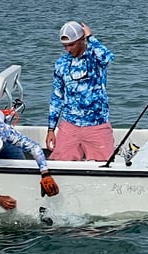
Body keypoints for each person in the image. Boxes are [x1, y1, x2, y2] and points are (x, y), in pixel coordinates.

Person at [46, 21, 115, 161]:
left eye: (71, 44)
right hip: (70, 124)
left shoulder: (95, 57)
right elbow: (57, 96)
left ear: (81, 40)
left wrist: (91, 37)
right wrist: (51, 129)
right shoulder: (61, 63)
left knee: (105, 166)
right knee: (59, 166)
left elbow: (107, 57)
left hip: (97, 124)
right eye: (65, 46)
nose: (68, 49)